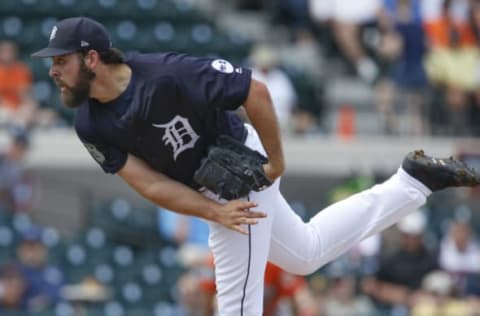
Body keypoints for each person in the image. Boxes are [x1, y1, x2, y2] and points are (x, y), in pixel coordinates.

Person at [31, 16, 480, 315]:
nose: (53, 70)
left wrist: (276, 164)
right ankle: (411, 182)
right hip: (210, 189)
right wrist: (211, 211)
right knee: (305, 253)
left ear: (92, 58)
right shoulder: (90, 122)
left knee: (236, 304)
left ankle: (409, 182)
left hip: (241, 170)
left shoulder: (167, 73)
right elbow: (146, 183)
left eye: (61, 60)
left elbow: (256, 92)